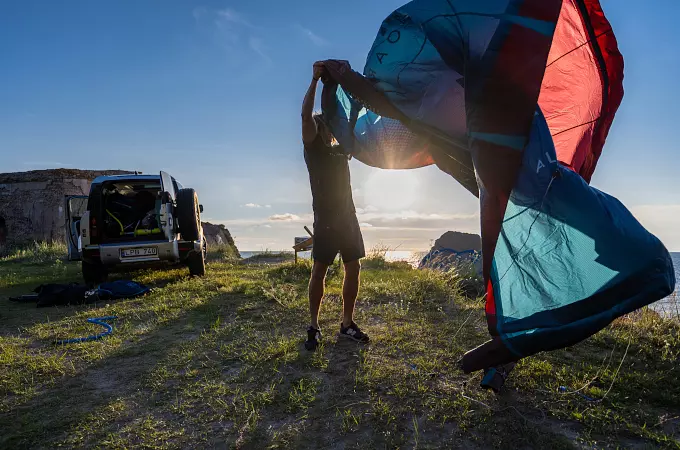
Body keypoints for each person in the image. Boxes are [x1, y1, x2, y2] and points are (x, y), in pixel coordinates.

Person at [301, 61, 369, 351]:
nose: (327, 128)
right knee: (319, 272)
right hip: (326, 220)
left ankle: (346, 324)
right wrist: (316, 80)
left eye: (329, 125)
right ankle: (314, 326)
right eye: (324, 124)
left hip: (348, 218)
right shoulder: (312, 147)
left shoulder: (342, 148)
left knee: (353, 269)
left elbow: (352, 118)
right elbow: (305, 113)